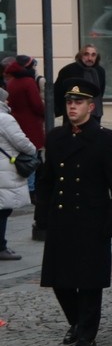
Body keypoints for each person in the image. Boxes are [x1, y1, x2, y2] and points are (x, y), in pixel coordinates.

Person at [36, 79, 112, 346]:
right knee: (59, 280)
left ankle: (87, 334)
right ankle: (76, 323)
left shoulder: (105, 139)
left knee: (88, 282)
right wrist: (42, 215)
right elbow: (46, 180)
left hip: (92, 220)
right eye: (69, 102)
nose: (72, 107)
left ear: (91, 106)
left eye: (78, 102)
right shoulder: (55, 138)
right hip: (62, 219)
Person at [0, 87, 37, 260]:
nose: (8, 102)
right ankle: (1, 247)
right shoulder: (4, 119)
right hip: (4, 171)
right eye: (5, 99)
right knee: (3, 209)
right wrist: (32, 149)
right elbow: (22, 142)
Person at [53, 45, 106, 119]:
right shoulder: (68, 70)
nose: (90, 58)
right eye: (86, 54)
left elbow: (100, 92)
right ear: (80, 56)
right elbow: (58, 92)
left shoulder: (100, 71)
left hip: (95, 113)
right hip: (73, 114)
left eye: (93, 55)